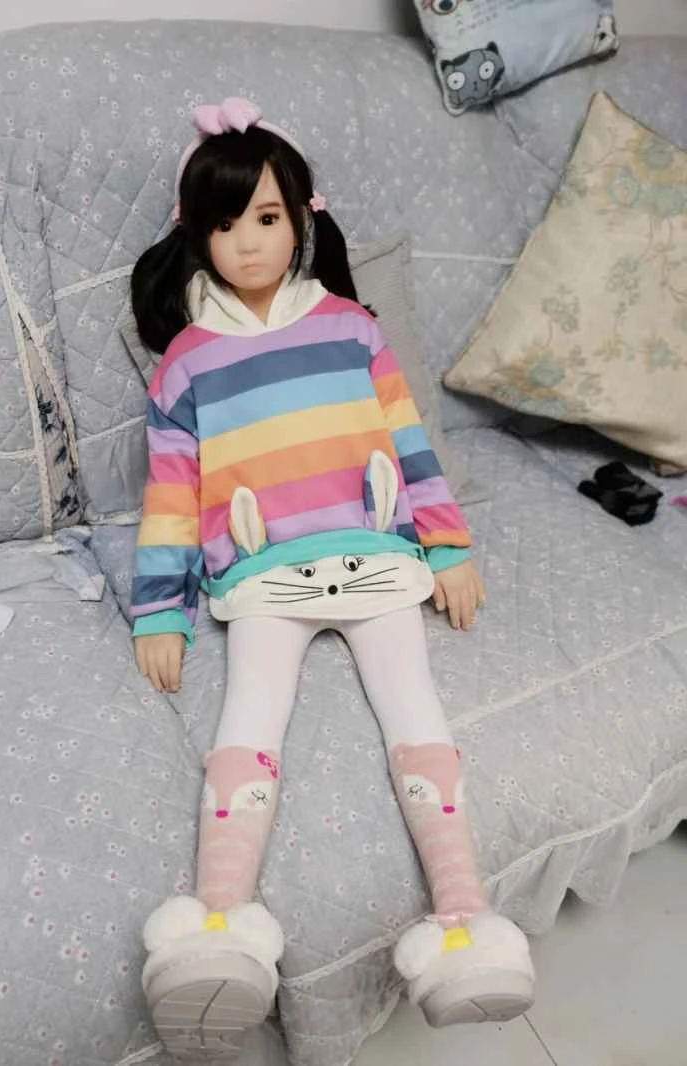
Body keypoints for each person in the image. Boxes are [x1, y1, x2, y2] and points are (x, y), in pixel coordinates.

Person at [130, 97, 534, 1061]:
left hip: (379, 559)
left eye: (267, 217)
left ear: (302, 218)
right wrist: (159, 610)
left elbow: (410, 441)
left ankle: (465, 925)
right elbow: (171, 497)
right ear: (197, 236)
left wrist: (448, 546)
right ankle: (217, 929)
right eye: (225, 224)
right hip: (262, 576)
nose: (249, 241)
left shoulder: (353, 329)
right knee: (248, 720)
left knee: (416, 712)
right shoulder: (186, 364)